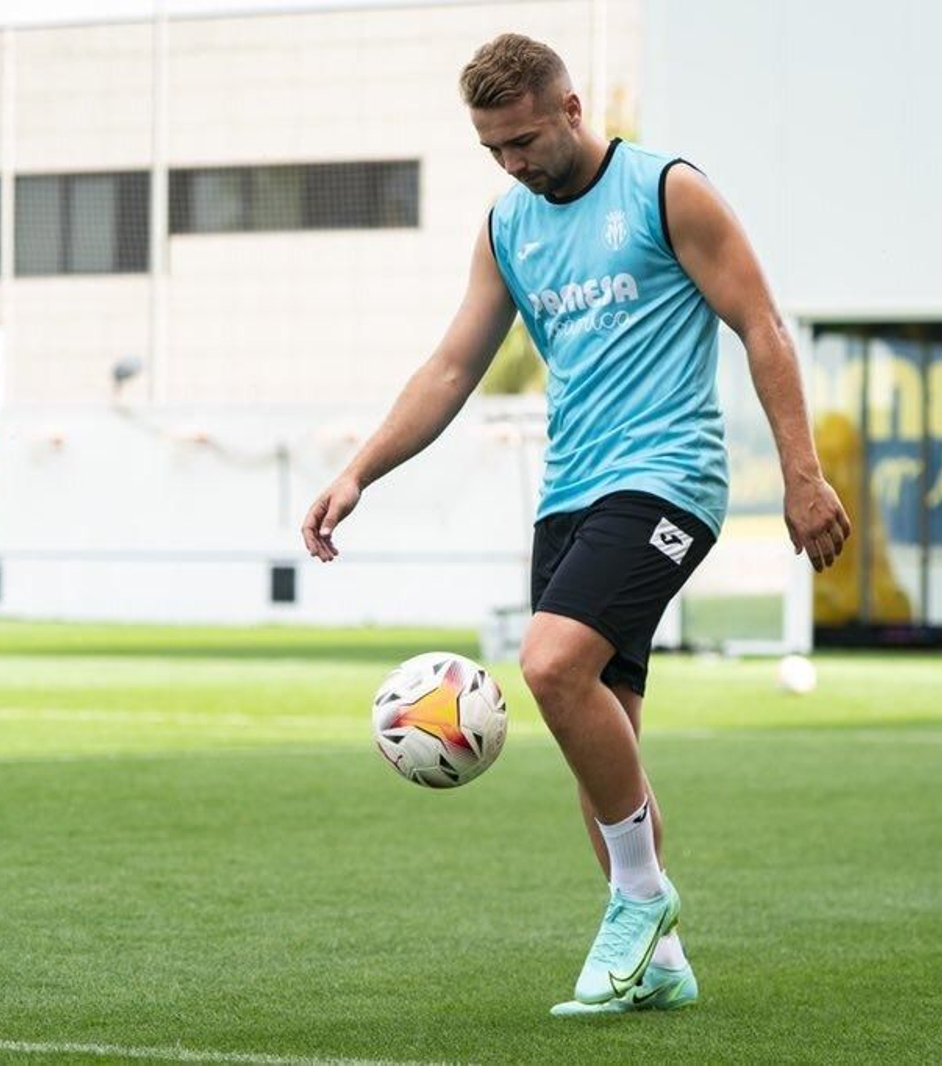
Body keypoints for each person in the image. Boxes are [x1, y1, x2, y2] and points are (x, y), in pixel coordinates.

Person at [301, 32, 851, 1016]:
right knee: (601, 736)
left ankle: (640, 896)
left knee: (551, 665)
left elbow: (760, 323)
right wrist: (358, 472)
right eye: (492, 150)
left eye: (523, 140)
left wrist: (801, 476)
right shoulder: (507, 226)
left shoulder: (665, 190)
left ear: (568, 109)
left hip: (668, 481)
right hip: (568, 500)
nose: (513, 163)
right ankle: (665, 959)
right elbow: (448, 370)